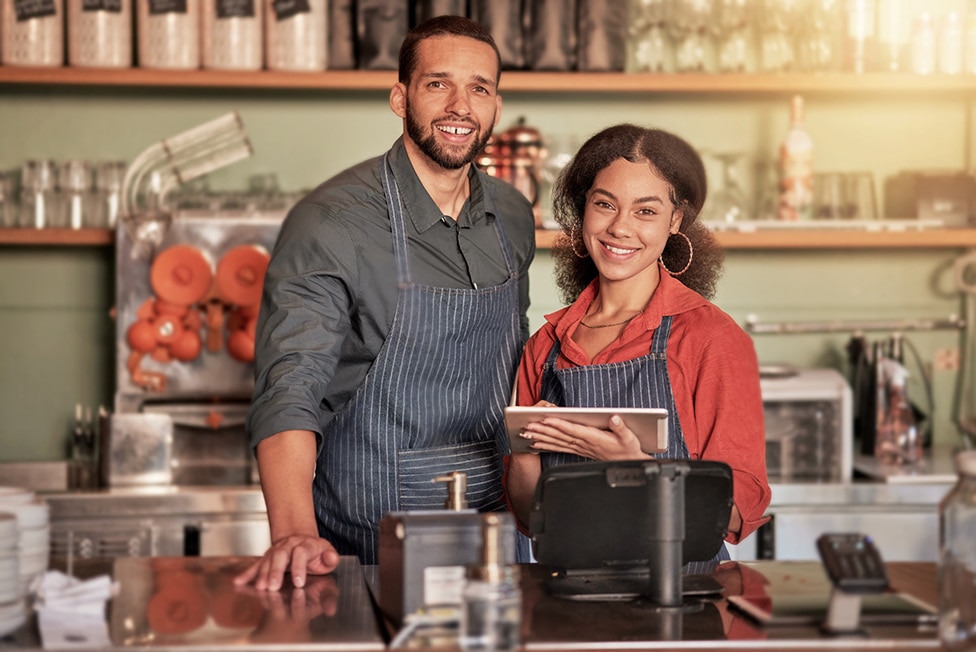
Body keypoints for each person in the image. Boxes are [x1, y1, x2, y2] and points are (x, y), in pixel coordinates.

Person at [235, 15, 536, 590]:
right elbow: (289, 388)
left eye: (480, 88)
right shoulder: (332, 222)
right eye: (437, 84)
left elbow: (512, 367)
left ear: (497, 104)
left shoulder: (513, 216)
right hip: (371, 541)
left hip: (497, 536)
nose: (460, 107)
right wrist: (293, 531)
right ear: (400, 98)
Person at [505, 124, 770, 565]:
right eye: (604, 204)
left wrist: (639, 471)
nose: (619, 228)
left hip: (684, 600)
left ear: (675, 221)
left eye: (645, 211)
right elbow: (533, 521)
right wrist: (525, 453)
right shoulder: (545, 348)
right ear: (582, 211)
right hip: (573, 601)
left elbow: (738, 513)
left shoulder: (711, 340)